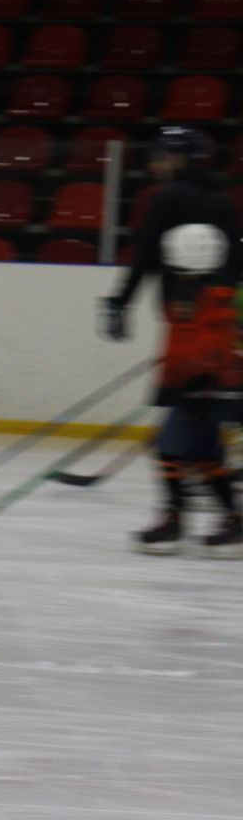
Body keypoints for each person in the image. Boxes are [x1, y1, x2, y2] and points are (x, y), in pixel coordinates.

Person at [100, 126, 243, 555]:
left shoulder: (165, 199)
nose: (155, 164)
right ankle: (225, 518)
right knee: (198, 446)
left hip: (195, 345)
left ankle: (176, 518)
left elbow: (144, 256)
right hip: (208, 335)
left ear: (181, 158)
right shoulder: (224, 202)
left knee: (172, 443)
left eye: (162, 155)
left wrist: (118, 303)